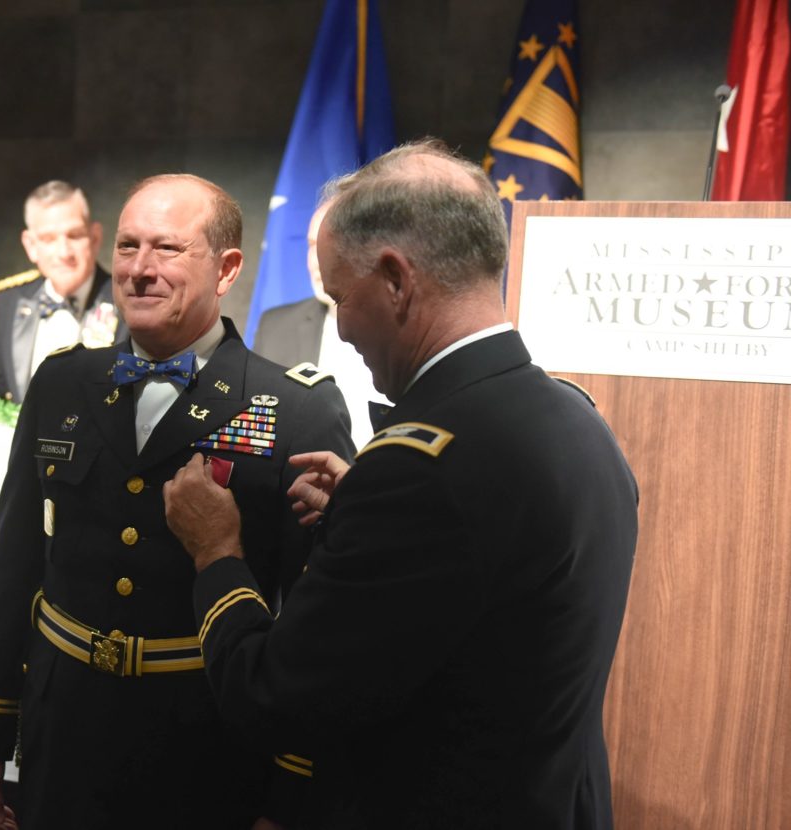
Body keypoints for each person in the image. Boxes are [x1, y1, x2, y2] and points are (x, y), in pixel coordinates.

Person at [163, 140, 640, 829]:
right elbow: (483, 603)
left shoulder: (420, 470)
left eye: (338, 297)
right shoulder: (575, 416)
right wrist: (365, 510)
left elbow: (277, 700)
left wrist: (217, 552)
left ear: (395, 279)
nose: (342, 326)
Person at [0, 172, 355, 828]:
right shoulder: (62, 383)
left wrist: (292, 793)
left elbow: (316, 621)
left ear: (227, 270)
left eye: (167, 249)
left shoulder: (294, 407)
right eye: (129, 246)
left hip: (206, 743)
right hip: (66, 733)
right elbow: (15, 571)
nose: (139, 270)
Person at [0, 180, 122, 402]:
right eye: (48, 239)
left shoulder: (125, 301)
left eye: (74, 235)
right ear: (31, 246)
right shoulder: (13, 300)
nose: (63, 252)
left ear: (95, 238)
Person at [254, 200, 387, 449]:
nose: (316, 261)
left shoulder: (406, 330)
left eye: (328, 247)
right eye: (311, 245)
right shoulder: (275, 327)